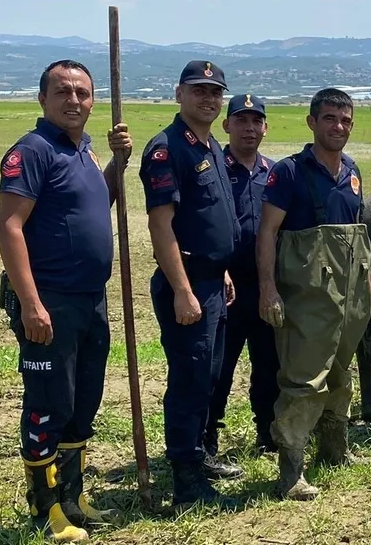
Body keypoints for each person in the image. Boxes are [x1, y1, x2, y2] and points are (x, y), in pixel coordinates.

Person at [0, 59, 131, 542]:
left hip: (90, 299)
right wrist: (31, 304)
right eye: (63, 91)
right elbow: (9, 227)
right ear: (43, 99)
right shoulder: (33, 151)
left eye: (83, 93)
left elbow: (94, 204)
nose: (74, 100)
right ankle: (46, 508)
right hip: (51, 300)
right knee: (48, 403)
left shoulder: (83, 150)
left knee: (81, 402)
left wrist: (117, 164)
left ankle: (73, 498)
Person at [257, 87, 371, 501]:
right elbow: (267, 232)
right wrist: (268, 288)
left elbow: (359, 233)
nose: (338, 127)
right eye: (329, 118)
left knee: (341, 372)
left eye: (345, 120)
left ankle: (335, 449)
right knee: (304, 379)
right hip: (307, 295)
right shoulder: (289, 172)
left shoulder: (353, 171)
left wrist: (370, 282)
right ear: (312, 122)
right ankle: (291, 470)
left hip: (350, 294)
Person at [139, 59, 242, 509]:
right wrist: (182, 290)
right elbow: (161, 226)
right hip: (187, 286)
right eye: (198, 90)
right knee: (190, 381)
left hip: (212, 282)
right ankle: (186, 483)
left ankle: (199, 457)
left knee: (209, 377)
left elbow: (205, 218)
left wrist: (221, 269)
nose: (208, 99)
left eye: (215, 92)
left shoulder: (210, 145)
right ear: (179, 94)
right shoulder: (168, 149)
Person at [203, 93, 280, 457]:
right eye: (241, 120)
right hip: (226, 286)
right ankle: (208, 437)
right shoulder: (214, 169)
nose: (249, 128)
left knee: (269, 365)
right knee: (219, 367)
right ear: (226, 125)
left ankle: (268, 432)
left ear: (265, 128)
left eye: (256, 121)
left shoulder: (275, 173)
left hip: (266, 285)